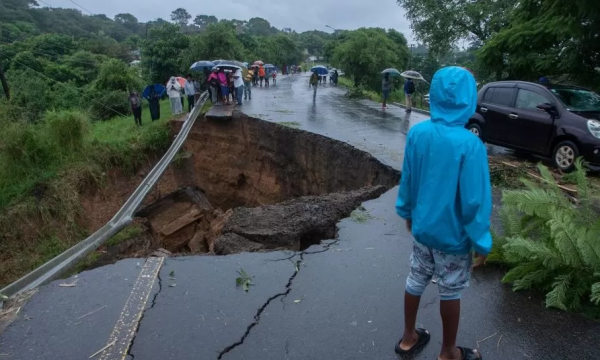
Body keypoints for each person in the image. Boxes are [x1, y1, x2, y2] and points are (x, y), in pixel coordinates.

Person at [395, 66, 490, 360]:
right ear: (468, 98)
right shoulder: (470, 144)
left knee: (415, 279)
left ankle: (409, 338)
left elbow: (408, 179)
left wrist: (408, 213)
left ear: (433, 94)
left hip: (423, 230)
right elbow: (474, 201)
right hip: (453, 237)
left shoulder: (418, 133)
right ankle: (448, 352)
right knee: (450, 290)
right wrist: (481, 240)